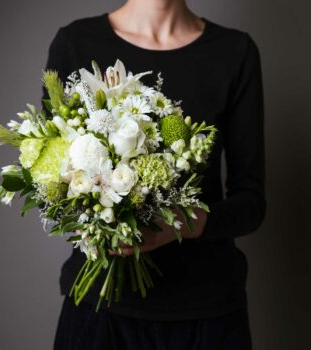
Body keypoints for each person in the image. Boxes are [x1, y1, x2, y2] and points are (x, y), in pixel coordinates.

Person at [42, 0, 266, 349]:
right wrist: (105, 212)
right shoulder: (76, 44)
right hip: (101, 308)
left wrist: (181, 222)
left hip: (207, 313)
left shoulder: (234, 52)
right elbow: (51, 180)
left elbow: (251, 202)